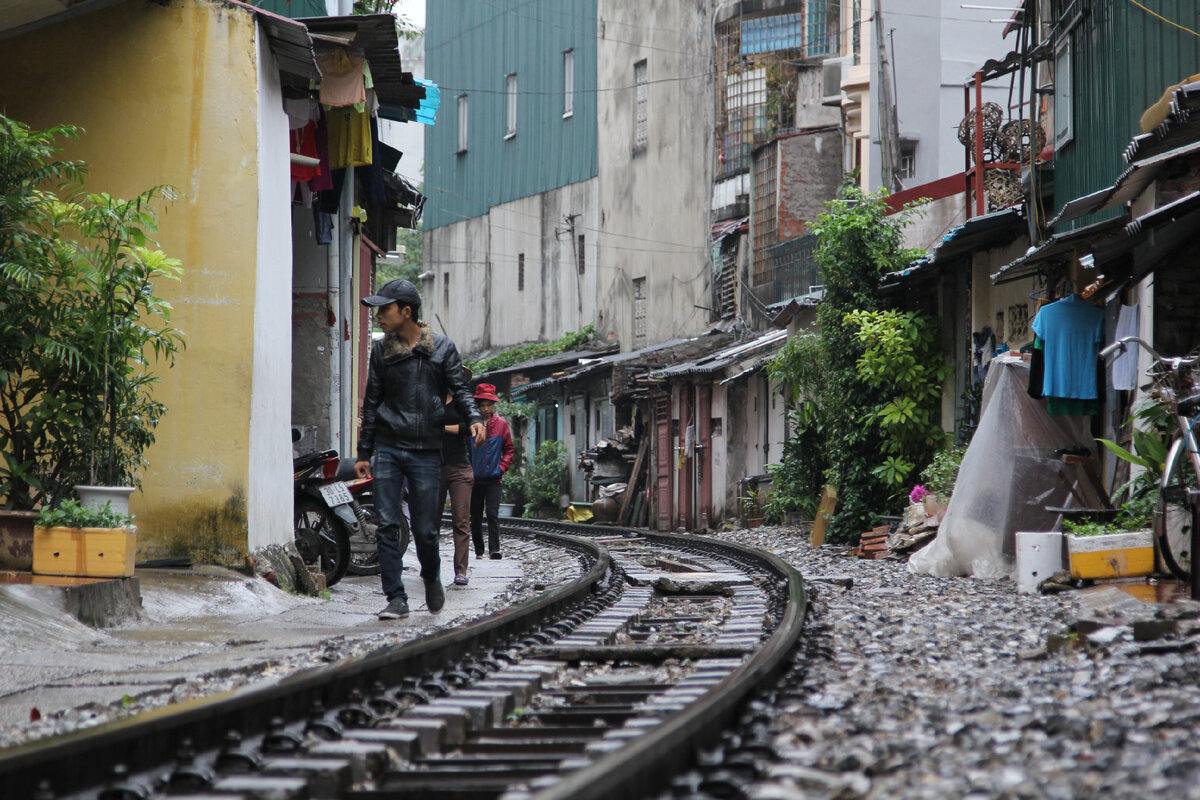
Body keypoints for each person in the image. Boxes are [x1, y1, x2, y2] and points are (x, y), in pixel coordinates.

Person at [356, 279, 484, 620]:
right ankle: (396, 598)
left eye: (385, 309)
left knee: (425, 529)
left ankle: (431, 576)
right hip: (387, 447)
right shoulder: (382, 351)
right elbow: (372, 403)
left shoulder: (442, 349)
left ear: (406, 312)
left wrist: (474, 417)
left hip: (427, 450)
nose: (379, 316)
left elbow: (461, 389)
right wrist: (364, 452)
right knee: (386, 524)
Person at [469, 383, 515, 559]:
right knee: (475, 516)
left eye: (489, 405)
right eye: (482, 405)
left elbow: (509, 449)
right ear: (478, 406)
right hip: (474, 478)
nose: (486, 409)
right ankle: (479, 551)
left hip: (495, 479)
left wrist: (501, 468)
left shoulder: (501, 425)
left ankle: (494, 549)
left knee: (492, 514)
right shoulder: (472, 425)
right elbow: (466, 450)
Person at [439, 366, 475, 586]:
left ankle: (460, 571)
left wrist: (441, 427)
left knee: (461, 521)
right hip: (433, 466)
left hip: (460, 466)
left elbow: (468, 426)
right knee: (430, 523)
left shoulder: (463, 401)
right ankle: (430, 568)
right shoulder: (430, 399)